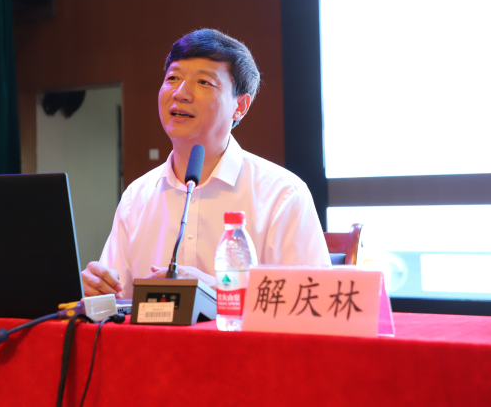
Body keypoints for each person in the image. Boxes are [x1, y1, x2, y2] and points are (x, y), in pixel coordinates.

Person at [82, 29, 330, 298]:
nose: (180, 93)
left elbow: (312, 299)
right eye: (173, 78)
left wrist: (213, 289)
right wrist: (98, 291)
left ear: (240, 106)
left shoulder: (282, 194)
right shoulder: (136, 197)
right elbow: (117, 298)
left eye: (203, 82)